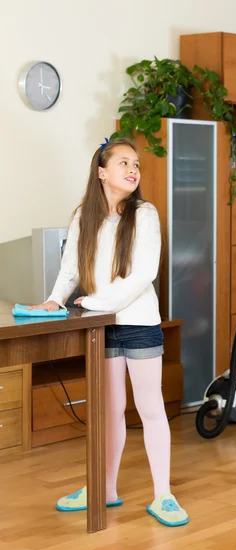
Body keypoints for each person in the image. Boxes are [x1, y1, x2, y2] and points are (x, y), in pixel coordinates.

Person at [29, 138, 188, 527]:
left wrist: (95, 305)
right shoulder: (84, 215)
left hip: (137, 324)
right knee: (108, 413)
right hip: (101, 327)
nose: (133, 169)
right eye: (123, 163)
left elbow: (144, 274)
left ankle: (163, 494)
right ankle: (105, 489)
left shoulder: (145, 214)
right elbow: (71, 269)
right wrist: (54, 300)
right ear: (102, 171)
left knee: (150, 410)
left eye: (136, 164)